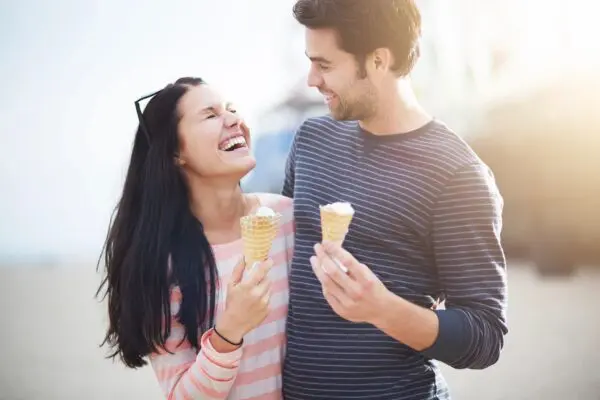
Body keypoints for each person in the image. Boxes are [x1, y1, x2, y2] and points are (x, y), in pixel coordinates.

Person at [281, 1, 508, 399]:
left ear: (378, 60)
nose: (311, 79)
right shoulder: (310, 142)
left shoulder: (457, 175)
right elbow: (282, 263)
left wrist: (382, 308)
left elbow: (485, 335)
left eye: (325, 65)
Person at [96, 77, 294, 400]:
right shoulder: (162, 265)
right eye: (211, 115)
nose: (234, 119)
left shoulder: (289, 220)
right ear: (176, 152)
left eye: (231, 109)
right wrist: (230, 331)